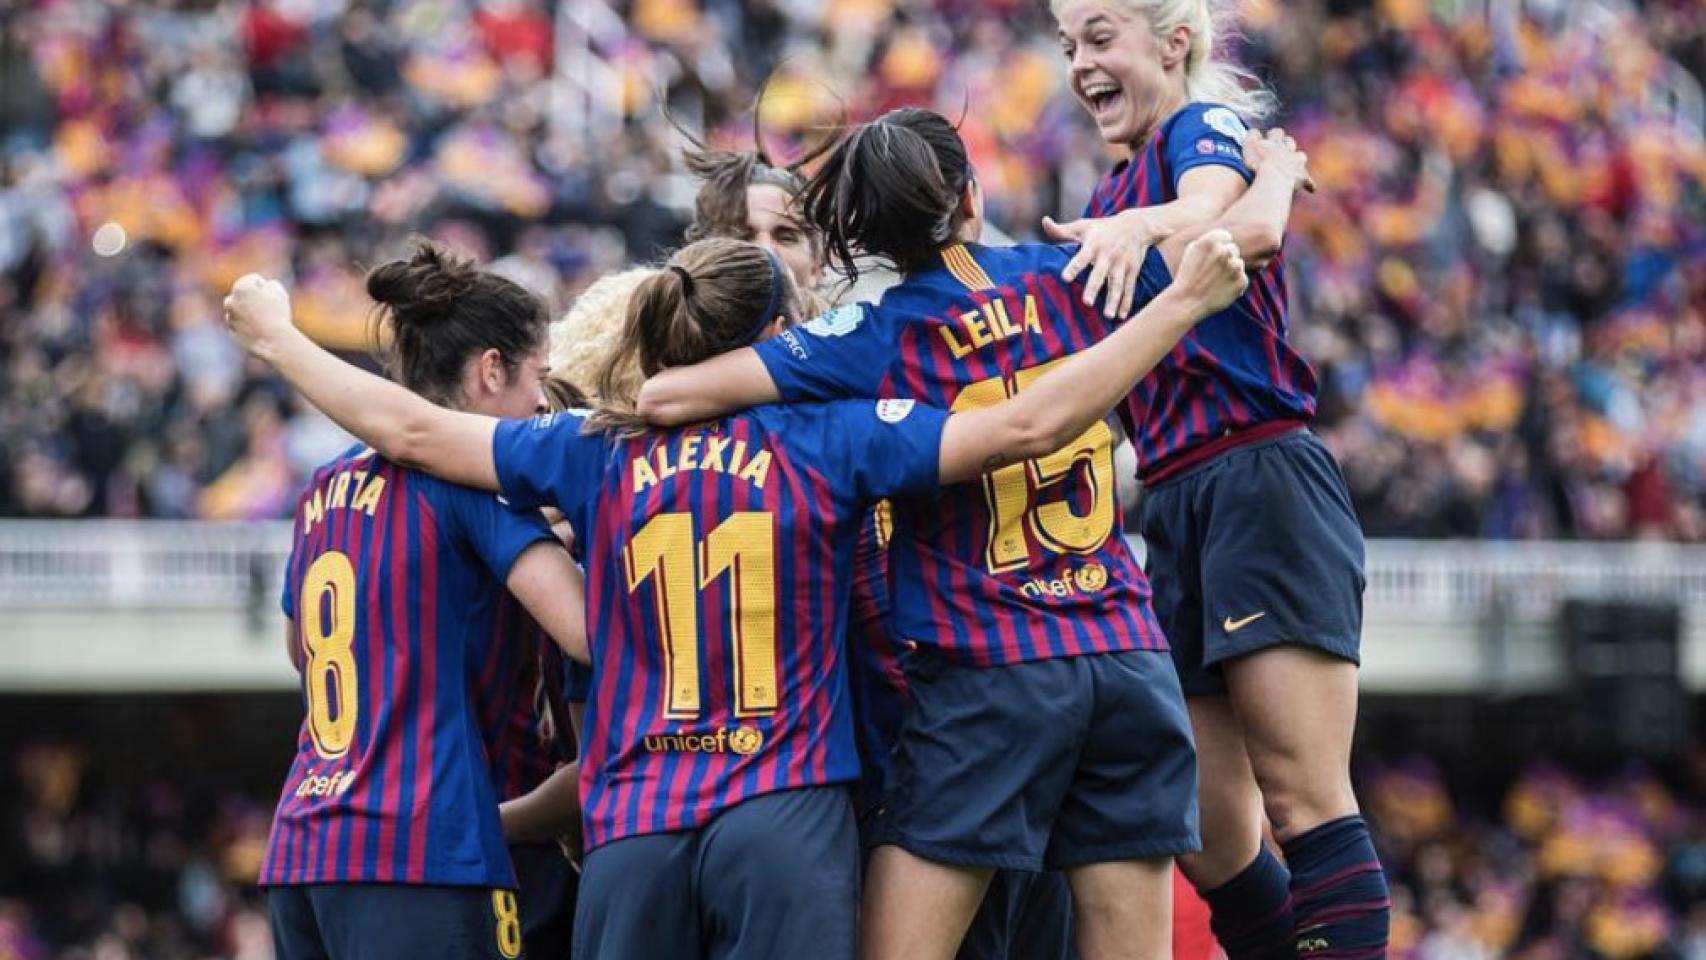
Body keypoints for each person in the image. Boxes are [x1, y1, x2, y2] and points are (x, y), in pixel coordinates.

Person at [224, 229, 1250, 960]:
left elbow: (410, 434)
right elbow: (1024, 425)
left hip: (631, 828)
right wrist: (1177, 304)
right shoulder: (828, 436)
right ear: (769, 334)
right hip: (781, 813)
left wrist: (277, 338)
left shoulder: (588, 451)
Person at [635, 109, 1311, 960]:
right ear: (969, 197)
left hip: (989, 676)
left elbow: (671, 397)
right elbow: (1244, 236)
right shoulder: (1080, 273)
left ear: (864, 236)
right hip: (1126, 663)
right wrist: (1279, 172)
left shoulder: (872, 337)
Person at [682, 132, 1084, 960]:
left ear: (826, 255)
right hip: (775, 799)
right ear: (700, 259)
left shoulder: (874, 357)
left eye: (788, 237)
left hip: (958, 742)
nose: (770, 261)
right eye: (745, 241)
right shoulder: (652, 415)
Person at [1047, 2, 1385, 957]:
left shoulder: (1203, 129)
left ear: (1173, 41)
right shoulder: (1113, 190)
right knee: (1212, 834)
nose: (1080, 63)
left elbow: (1229, 231)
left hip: (1257, 474)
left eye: (1100, 36)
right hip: (1174, 496)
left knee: (1304, 798)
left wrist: (1148, 221)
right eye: (1068, 45)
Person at [260, 244, 589, 960]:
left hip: (303, 848)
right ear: (490, 369)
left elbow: (300, 653)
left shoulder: (324, 487)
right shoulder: (476, 482)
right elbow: (585, 631)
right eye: (539, 376)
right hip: (421, 849)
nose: (541, 402)